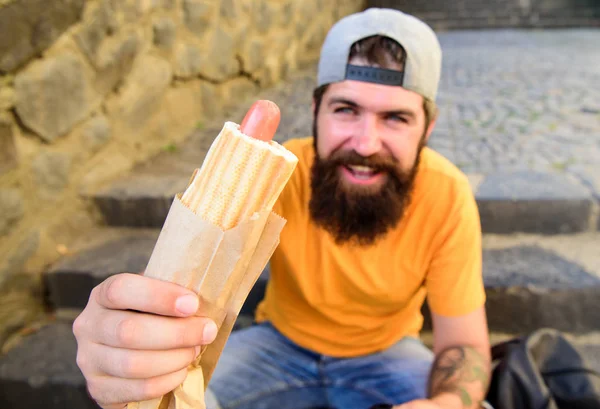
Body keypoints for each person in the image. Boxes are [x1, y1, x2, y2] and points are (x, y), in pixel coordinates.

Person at [73, 8, 491, 409]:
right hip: (276, 346)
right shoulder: (278, 174)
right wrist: (131, 347)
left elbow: (463, 346)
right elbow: (185, 284)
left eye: (396, 118)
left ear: (427, 129)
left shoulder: (448, 195)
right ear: (316, 112)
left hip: (389, 355)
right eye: (346, 110)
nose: (365, 144)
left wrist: (451, 402)